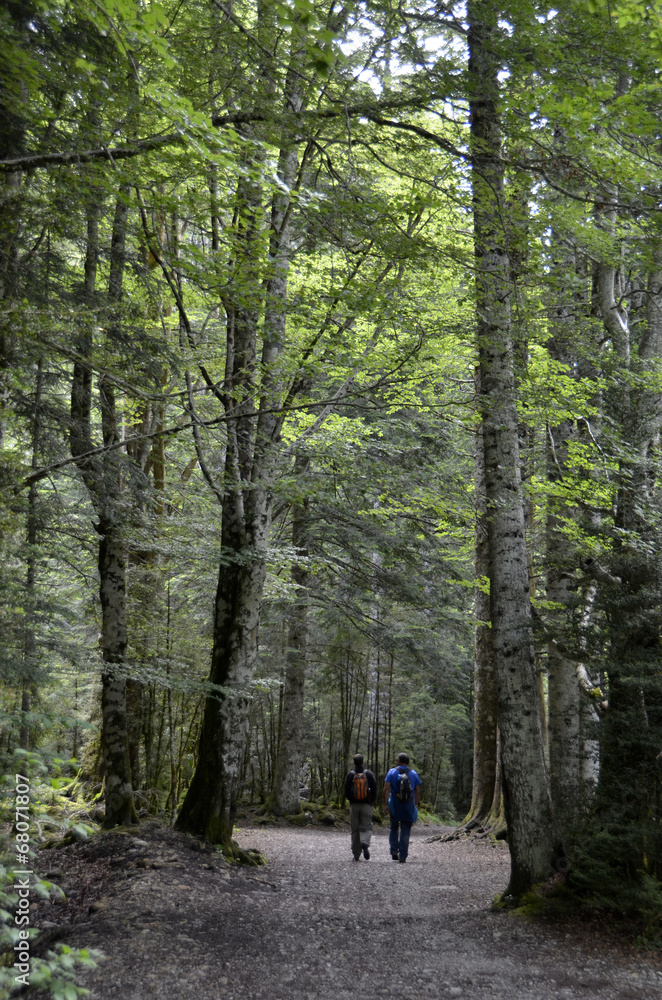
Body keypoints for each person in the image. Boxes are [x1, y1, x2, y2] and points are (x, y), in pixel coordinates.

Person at [383, 752, 421, 863]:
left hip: (394, 804)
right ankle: (403, 855)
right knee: (405, 830)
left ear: (399, 761)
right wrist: (415, 804)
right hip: (408, 805)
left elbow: (386, 788)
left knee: (394, 827)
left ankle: (394, 850)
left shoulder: (392, 772)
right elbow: (418, 790)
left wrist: (385, 804)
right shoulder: (413, 773)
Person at [344, 753, 377, 861]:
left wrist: (352, 800)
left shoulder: (350, 775)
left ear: (354, 763)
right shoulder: (369, 774)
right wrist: (370, 801)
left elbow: (346, 791)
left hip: (354, 805)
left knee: (355, 829)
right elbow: (375, 790)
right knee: (366, 826)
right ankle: (365, 843)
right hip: (366, 805)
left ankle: (356, 854)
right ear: (363, 762)